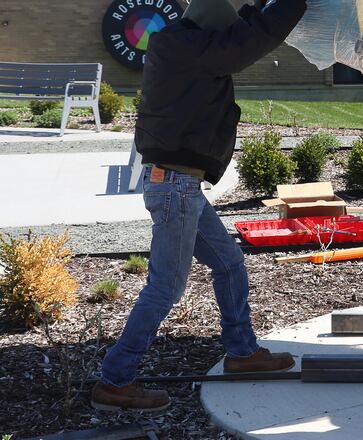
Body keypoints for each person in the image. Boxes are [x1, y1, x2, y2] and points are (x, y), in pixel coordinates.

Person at [91, 0, 307, 412]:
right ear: (208, 30)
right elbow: (251, 40)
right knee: (165, 287)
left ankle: (242, 353)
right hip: (174, 186)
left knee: (228, 264)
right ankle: (115, 380)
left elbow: (238, 33)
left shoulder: (181, 46)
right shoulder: (193, 50)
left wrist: (256, 8)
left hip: (179, 184)